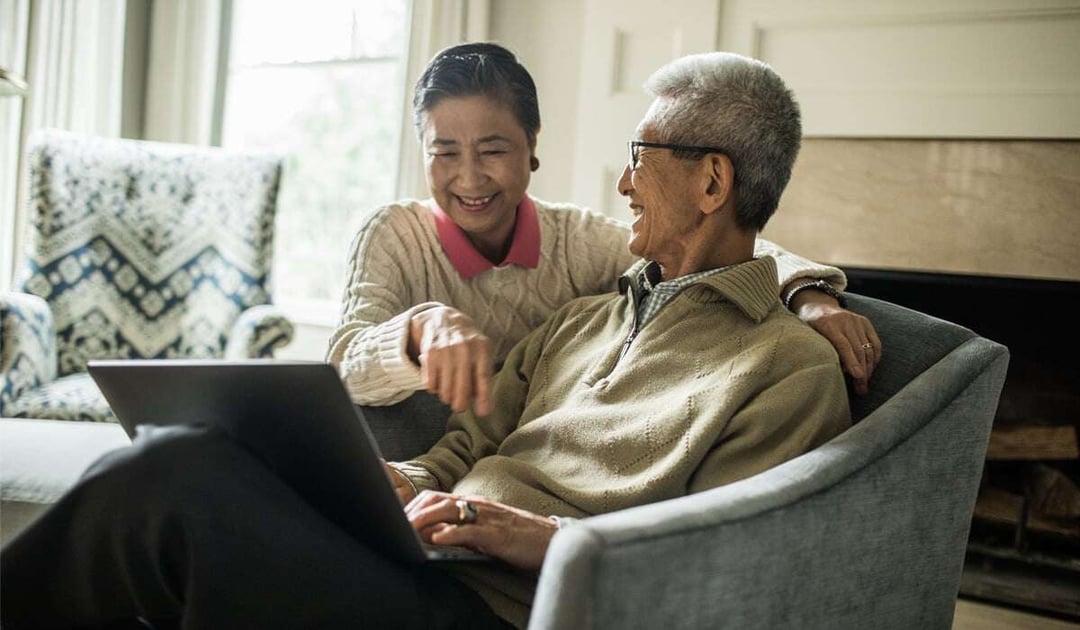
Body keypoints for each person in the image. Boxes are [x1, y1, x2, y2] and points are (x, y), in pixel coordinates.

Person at [1, 51, 851, 629]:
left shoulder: (786, 369)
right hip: (418, 551)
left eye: (643, 154)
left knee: (173, 494)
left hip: (493, 606)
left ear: (711, 181)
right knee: (184, 457)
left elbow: (731, 566)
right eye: (447, 150)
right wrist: (389, 479)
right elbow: (462, 448)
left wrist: (531, 535)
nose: (625, 179)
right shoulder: (587, 316)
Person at [327, 43, 882, 421]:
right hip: (431, 459)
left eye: (493, 150)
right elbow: (342, 368)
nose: (469, 177)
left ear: (532, 144)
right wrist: (419, 328)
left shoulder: (575, 241)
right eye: (443, 153)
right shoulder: (395, 233)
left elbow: (709, 241)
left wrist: (808, 295)